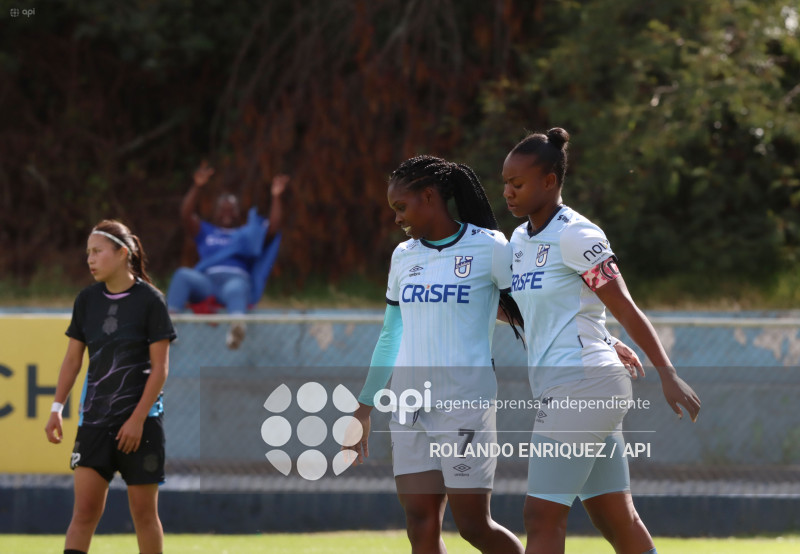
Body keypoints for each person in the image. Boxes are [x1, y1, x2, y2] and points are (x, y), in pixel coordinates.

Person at [501, 128, 701, 554]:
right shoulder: (519, 240)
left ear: (550, 182)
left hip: (582, 383)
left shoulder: (577, 234)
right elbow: (538, 311)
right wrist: (607, 338)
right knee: (616, 518)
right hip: (583, 382)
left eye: (517, 184)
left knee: (541, 517)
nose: (508, 192)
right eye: (505, 183)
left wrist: (668, 374)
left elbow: (625, 306)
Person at [348, 155, 525, 553]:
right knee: (420, 523)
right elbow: (391, 335)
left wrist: (598, 338)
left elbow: (535, 308)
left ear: (429, 196)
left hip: (464, 406)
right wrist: (364, 408)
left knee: (474, 527)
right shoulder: (403, 256)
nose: (397, 218)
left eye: (401, 207)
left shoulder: (490, 247)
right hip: (409, 407)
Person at [45, 220, 176, 554]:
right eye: (88, 252)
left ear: (122, 253)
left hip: (141, 426)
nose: (90, 259)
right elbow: (73, 360)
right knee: (84, 513)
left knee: (145, 515)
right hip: (96, 424)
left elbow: (160, 369)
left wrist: (136, 419)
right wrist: (56, 408)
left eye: (97, 251)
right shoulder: (86, 300)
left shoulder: (150, 301)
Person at [166, 161, 289, 348]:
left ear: (239, 213)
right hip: (207, 283)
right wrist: (197, 187)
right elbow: (185, 214)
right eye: (223, 209)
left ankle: (236, 330)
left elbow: (273, 227)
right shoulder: (207, 231)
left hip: (234, 282)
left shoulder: (247, 234)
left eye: (231, 210)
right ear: (215, 212)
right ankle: (169, 328)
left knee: (236, 287)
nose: (227, 213)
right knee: (182, 274)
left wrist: (276, 197)